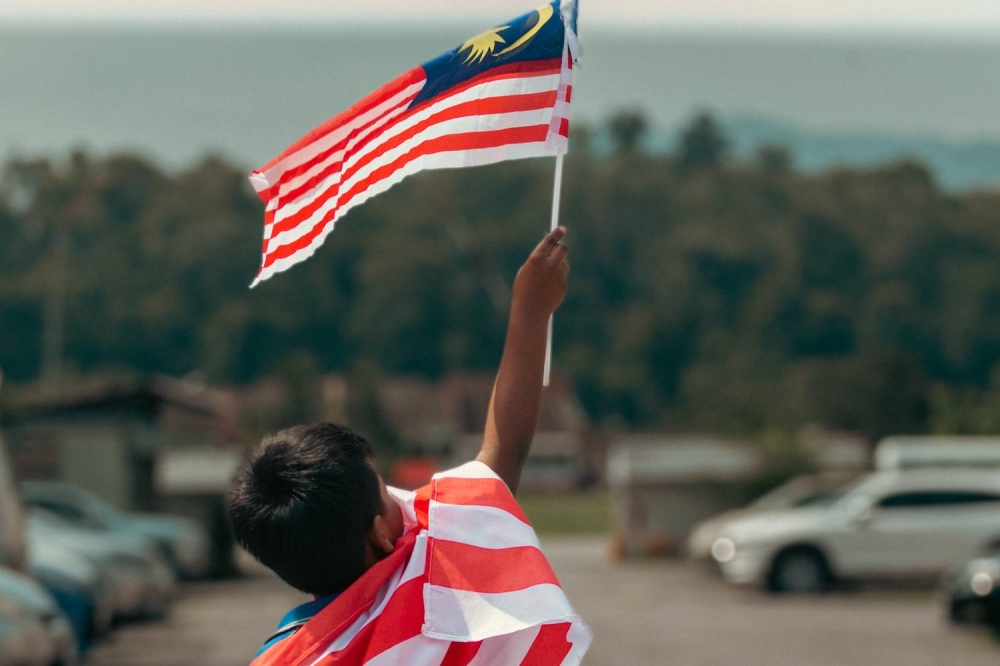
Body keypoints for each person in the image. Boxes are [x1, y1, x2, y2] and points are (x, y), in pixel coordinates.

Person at [230, 227, 591, 666]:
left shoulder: (282, 659)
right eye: (385, 490)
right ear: (382, 535)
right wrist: (531, 310)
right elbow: (504, 452)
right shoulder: (433, 573)